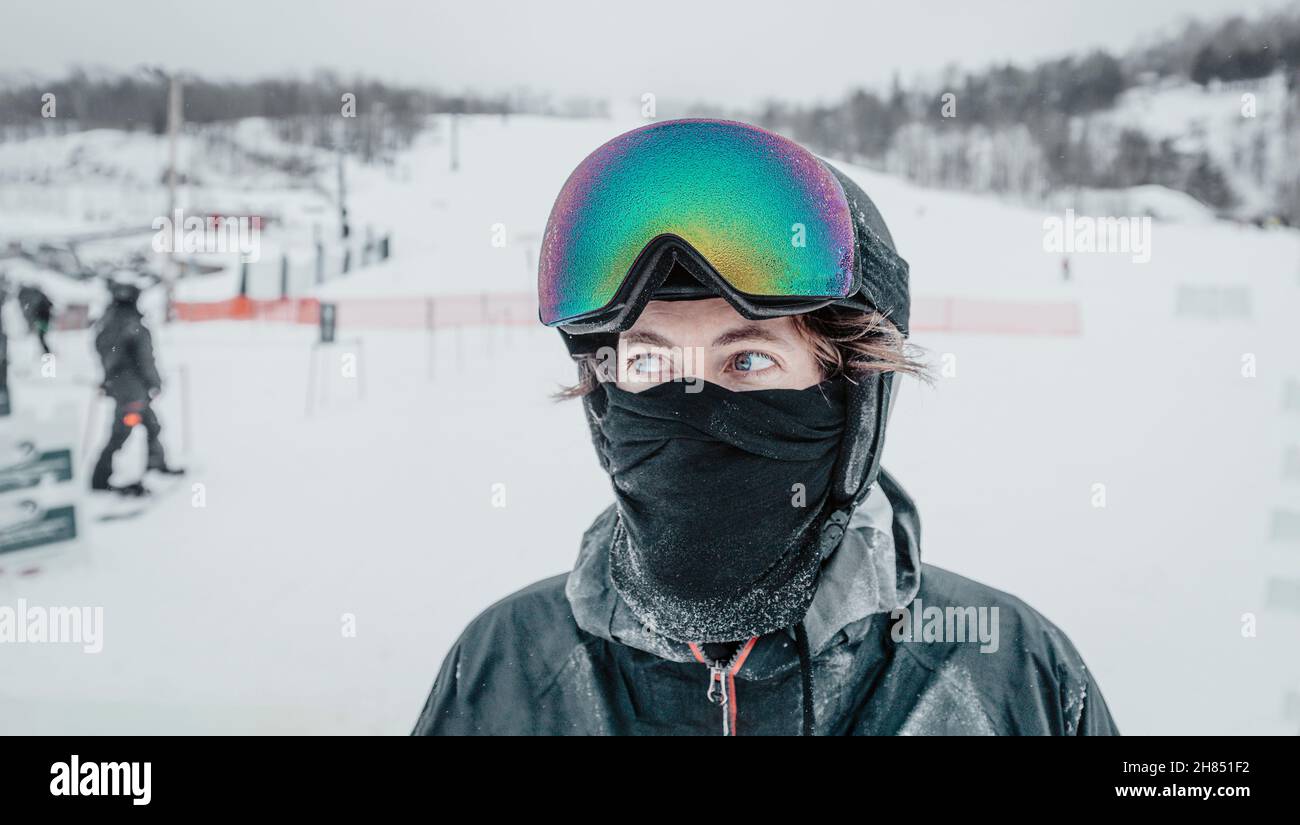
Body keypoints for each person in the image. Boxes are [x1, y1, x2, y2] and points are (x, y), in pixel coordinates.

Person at [413, 119, 1117, 736]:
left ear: (852, 400)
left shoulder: (1013, 677)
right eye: (649, 359)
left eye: (747, 358)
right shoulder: (501, 668)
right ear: (604, 396)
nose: (688, 401)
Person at [90, 271, 184, 496]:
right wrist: (154, 382)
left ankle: (155, 463)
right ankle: (100, 480)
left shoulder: (108, 322)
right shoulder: (132, 324)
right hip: (133, 390)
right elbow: (145, 358)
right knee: (121, 432)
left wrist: (111, 377)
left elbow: (105, 353)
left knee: (151, 424)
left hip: (123, 387)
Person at [17, 280, 54, 355]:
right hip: (44, 320)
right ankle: (46, 351)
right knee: (41, 337)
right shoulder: (43, 300)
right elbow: (50, 306)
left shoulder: (40, 302)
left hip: (43, 321)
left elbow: (37, 311)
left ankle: (47, 351)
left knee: (41, 337)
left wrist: (36, 316)